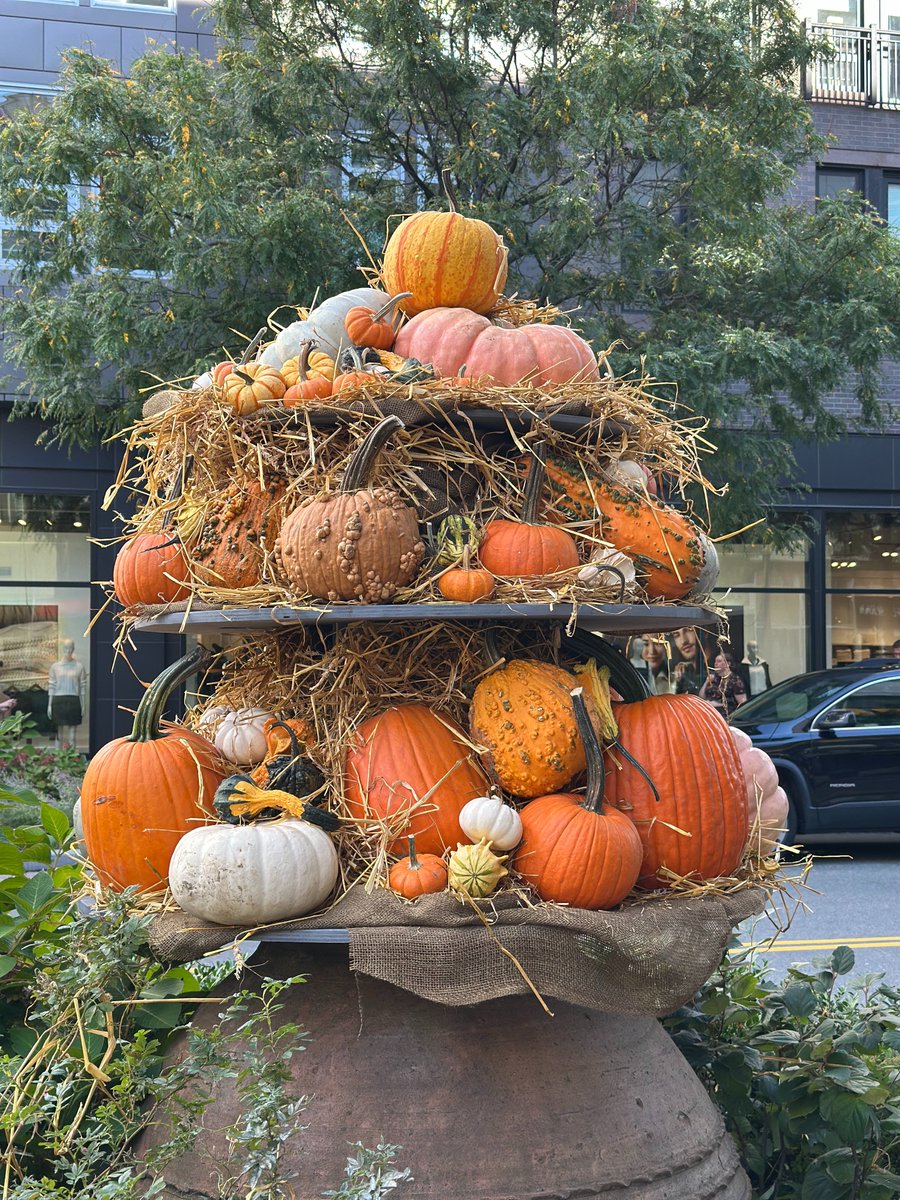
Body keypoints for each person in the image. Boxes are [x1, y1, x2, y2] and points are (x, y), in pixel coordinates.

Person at [47, 639, 87, 750]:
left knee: (72, 734)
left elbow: (82, 687)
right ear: (62, 649)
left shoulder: (79, 667)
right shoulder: (55, 667)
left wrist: (82, 704)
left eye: (70, 648)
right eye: (66, 648)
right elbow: (52, 686)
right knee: (58, 734)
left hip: (73, 700)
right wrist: (49, 705)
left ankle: (72, 760)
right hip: (58, 700)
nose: (68, 651)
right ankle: (57, 760)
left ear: (73, 649)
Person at [699, 651, 747, 718]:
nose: (716, 664)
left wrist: (719, 704)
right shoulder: (714, 678)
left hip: (724, 717)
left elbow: (742, 704)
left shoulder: (735, 681)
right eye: (715, 661)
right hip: (708, 714)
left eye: (719, 661)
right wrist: (706, 682)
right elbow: (701, 697)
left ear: (728, 664)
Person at [671, 626, 709, 696]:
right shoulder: (684, 670)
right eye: (676, 635)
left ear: (705, 631)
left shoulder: (716, 667)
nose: (683, 641)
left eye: (689, 630)